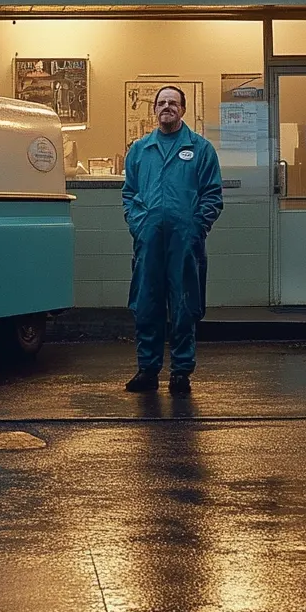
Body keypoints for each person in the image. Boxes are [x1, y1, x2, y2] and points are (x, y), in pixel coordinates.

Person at [122, 85, 223, 394]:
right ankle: (147, 370)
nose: (167, 107)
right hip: (149, 242)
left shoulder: (201, 149)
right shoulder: (140, 150)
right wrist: (140, 225)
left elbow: (213, 196)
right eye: (162, 102)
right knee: (147, 304)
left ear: (183, 109)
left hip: (184, 244)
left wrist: (195, 228)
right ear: (154, 109)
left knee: (184, 304)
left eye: (173, 103)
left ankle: (181, 372)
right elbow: (129, 195)